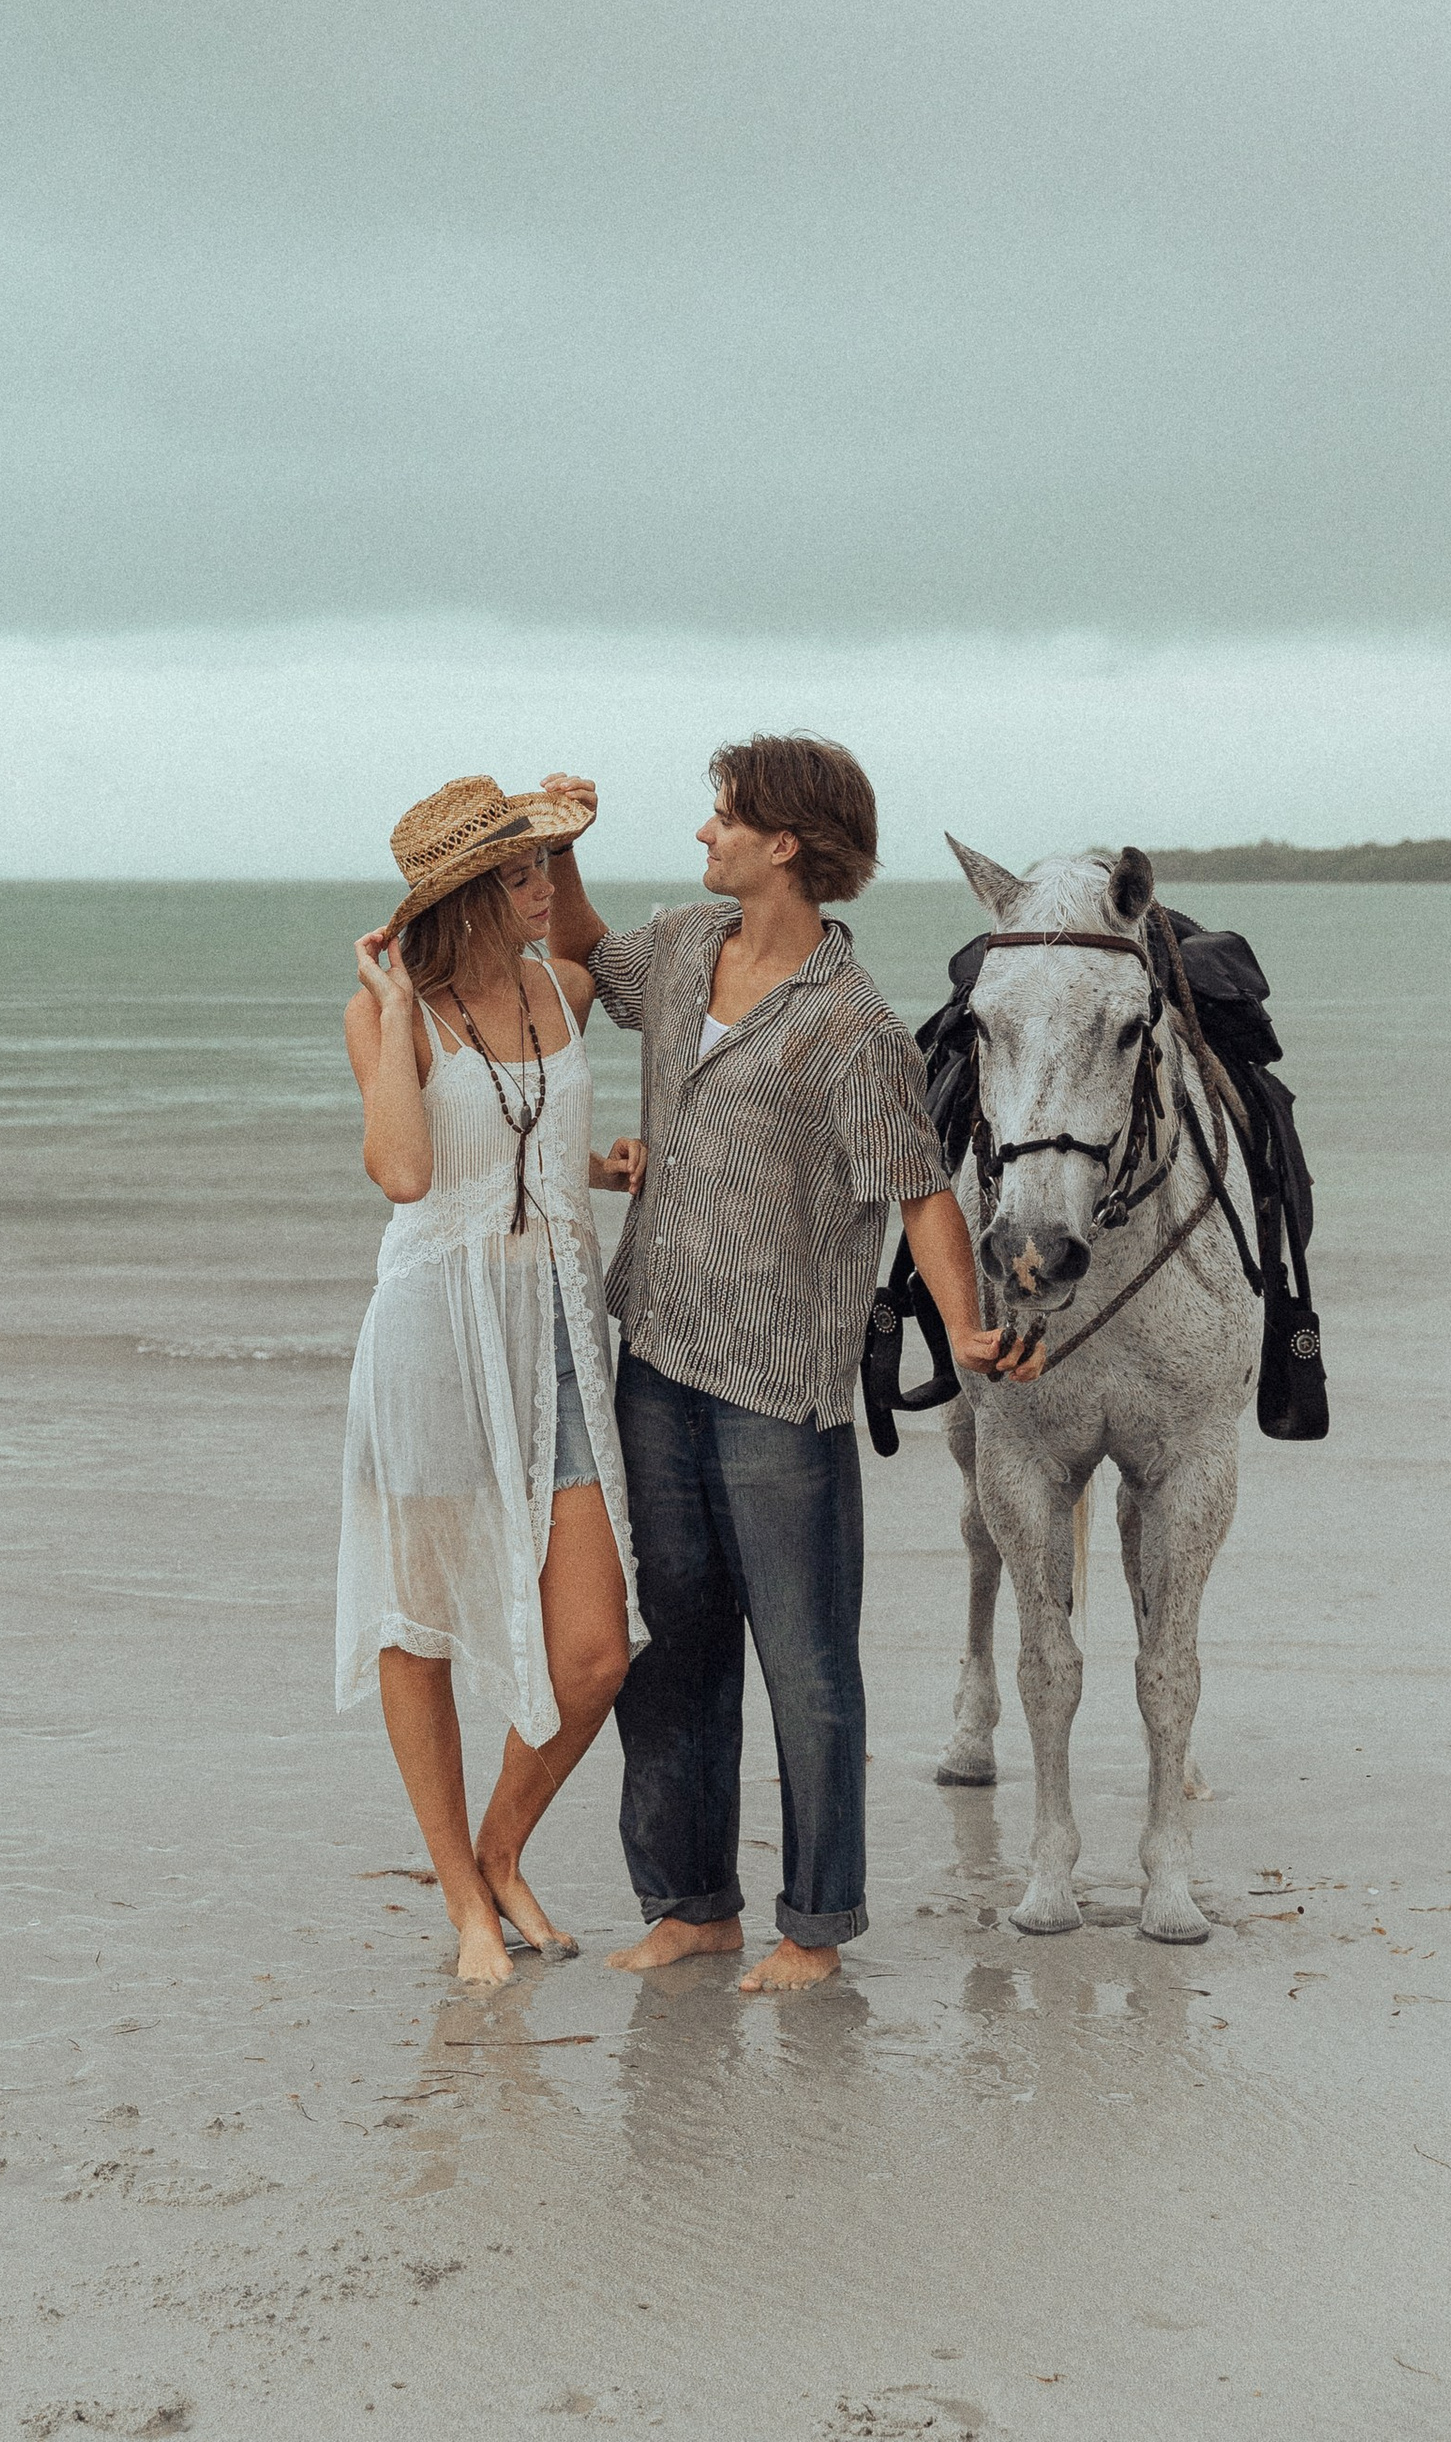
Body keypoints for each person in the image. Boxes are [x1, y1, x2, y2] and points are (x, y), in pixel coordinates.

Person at [541, 735, 1037, 1992]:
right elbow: (587, 956)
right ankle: (692, 1905)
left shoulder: (853, 1029)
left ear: (786, 846)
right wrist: (555, 843)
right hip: (654, 1350)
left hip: (783, 1386)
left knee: (805, 1662)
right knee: (680, 1644)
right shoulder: (678, 946)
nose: (704, 834)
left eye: (723, 818)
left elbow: (919, 1196)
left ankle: (815, 1926)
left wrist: (966, 1329)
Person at [338, 774, 647, 1986]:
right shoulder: (389, 1017)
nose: (544, 892)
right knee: (421, 1629)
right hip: (431, 1336)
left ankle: (498, 1845)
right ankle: (466, 1901)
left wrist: (597, 1169)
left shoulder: (563, 992)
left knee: (594, 1654)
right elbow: (410, 1174)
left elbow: (527, 1141)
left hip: (559, 1331)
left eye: (544, 870)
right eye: (521, 875)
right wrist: (386, 1005)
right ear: (465, 894)